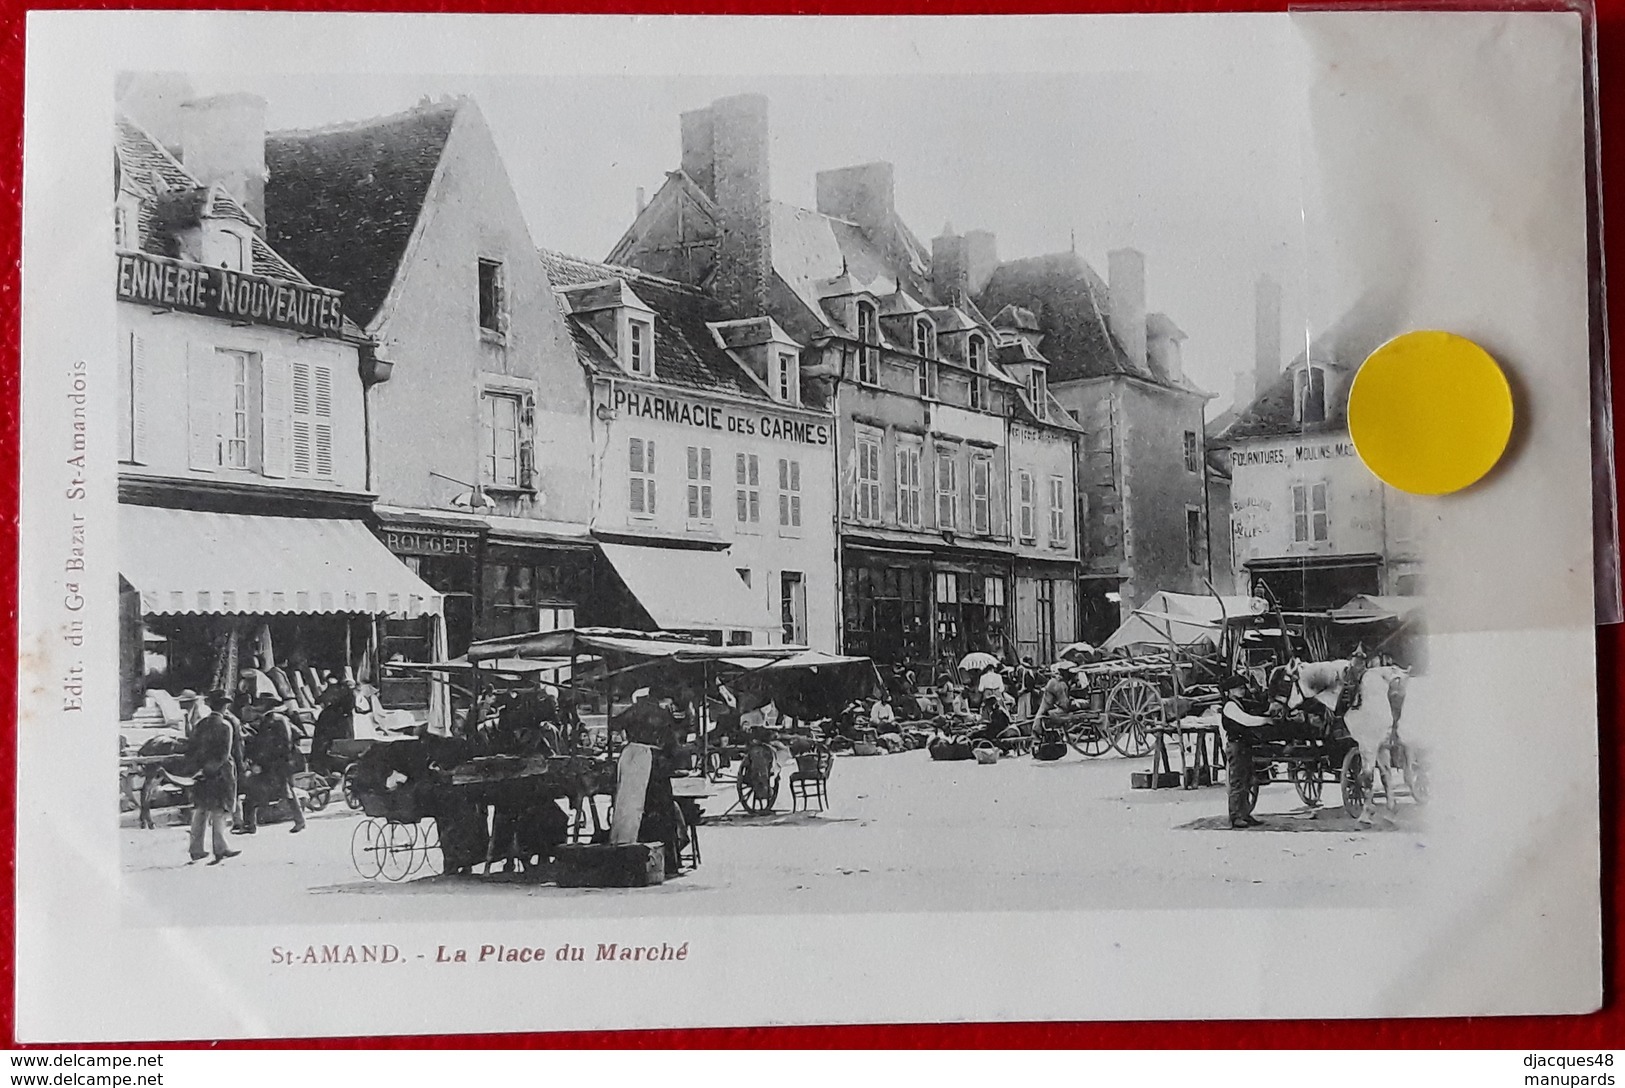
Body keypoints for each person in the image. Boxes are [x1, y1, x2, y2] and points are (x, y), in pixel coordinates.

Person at [186, 692, 242, 865]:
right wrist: (214, 769)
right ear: (224, 707)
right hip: (221, 773)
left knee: (201, 809)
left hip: (202, 771)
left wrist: (200, 769)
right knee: (219, 810)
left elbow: (192, 748)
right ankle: (220, 847)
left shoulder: (201, 724)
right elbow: (225, 754)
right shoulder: (226, 726)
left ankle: (196, 849)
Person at [239, 699, 306, 834]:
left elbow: (282, 743)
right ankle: (249, 824)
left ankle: (299, 821)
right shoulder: (269, 720)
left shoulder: (277, 721)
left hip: (276, 764)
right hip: (271, 763)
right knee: (258, 790)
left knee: (284, 791)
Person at [1220, 672, 1275, 829]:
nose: (1241, 690)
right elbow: (1246, 720)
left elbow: (1256, 709)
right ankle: (1235, 816)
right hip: (1236, 746)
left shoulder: (1240, 703)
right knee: (1237, 781)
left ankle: (1244, 814)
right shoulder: (1230, 706)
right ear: (1230, 691)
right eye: (1237, 688)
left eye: (1242, 688)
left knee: (1247, 779)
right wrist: (1266, 720)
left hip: (1244, 746)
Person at [1032, 665, 1075, 731]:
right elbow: (1064, 703)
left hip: (1048, 704)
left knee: (1040, 715)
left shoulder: (1055, 682)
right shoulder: (1059, 684)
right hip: (1050, 705)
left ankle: (1037, 731)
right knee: (1042, 716)